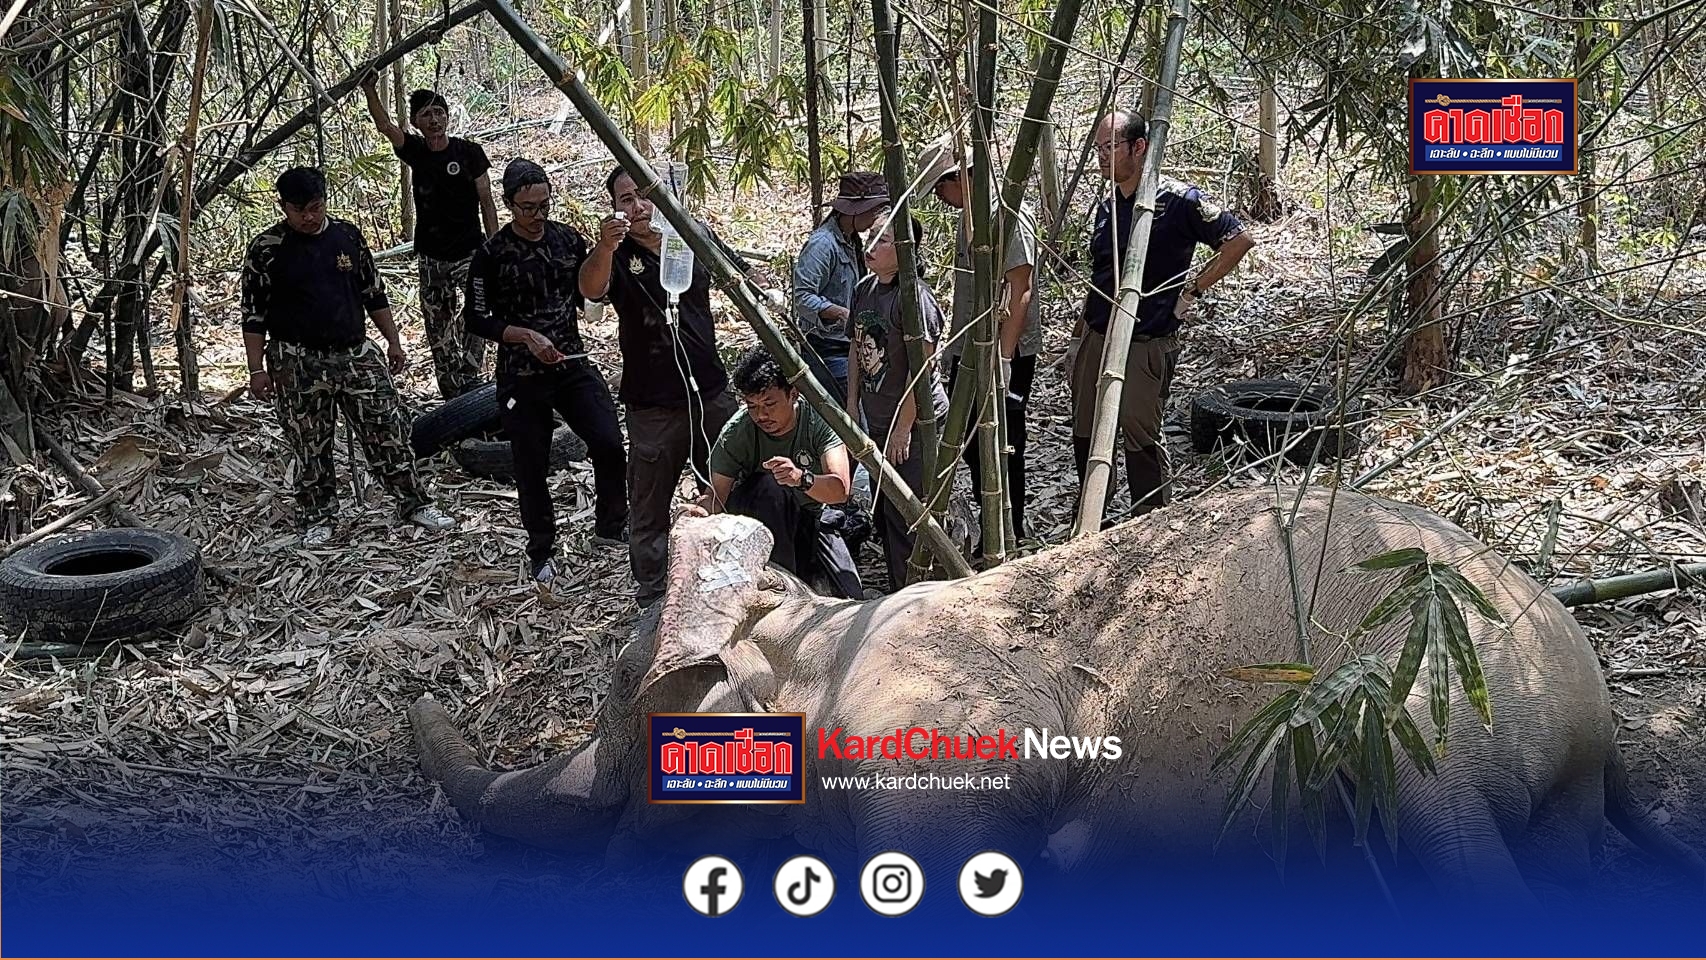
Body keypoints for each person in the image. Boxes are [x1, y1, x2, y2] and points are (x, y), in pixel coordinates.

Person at [240, 166, 456, 546]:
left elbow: (373, 292)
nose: (309, 217)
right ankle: (318, 514)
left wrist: (393, 341)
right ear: (283, 207)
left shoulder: (347, 236)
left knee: (388, 429)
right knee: (311, 443)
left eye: (316, 207)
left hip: (355, 352)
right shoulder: (266, 249)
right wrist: (257, 370)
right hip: (297, 360)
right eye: (299, 210)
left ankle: (413, 502)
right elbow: (253, 314)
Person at [580, 165, 755, 608]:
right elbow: (590, 290)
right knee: (649, 500)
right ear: (614, 208)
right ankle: (653, 593)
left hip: (709, 391)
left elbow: (738, 278)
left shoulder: (690, 236)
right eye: (625, 199)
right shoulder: (615, 255)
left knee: (731, 482)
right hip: (652, 403)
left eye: (642, 195)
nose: (637, 207)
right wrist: (604, 244)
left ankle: (733, 576)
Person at [1069, 108, 1256, 518]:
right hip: (1097, 336)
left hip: (1145, 341)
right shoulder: (1106, 206)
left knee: (1141, 435)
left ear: (1139, 147)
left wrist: (1191, 292)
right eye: (1097, 148)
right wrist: (1079, 337)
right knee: (1085, 430)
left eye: (1110, 147)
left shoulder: (1177, 201)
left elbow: (1238, 240)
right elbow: (1099, 277)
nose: (1102, 157)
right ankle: (1090, 517)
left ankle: (1149, 522)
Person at [464, 159, 629, 583]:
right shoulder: (491, 255)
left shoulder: (565, 239)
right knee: (531, 464)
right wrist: (524, 337)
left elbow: (588, 292)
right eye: (527, 208)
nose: (537, 216)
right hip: (522, 373)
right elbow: (477, 319)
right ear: (509, 205)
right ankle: (542, 550)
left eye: (544, 205)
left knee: (609, 441)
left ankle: (612, 526)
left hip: (571, 361)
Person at [922, 146, 1042, 544]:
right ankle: (989, 524)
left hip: (1002, 351)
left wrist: (1004, 358)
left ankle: (1010, 529)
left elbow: (1020, 287)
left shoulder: (1005, 215)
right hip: (968, 350)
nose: (939, 197)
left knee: (1004, 444)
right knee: (972, 444)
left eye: (940, 187)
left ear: (961, 178)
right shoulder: (968, 218)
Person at [361, 74, 499, 399]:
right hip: (433, 258)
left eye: (439, 112)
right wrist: (369, 88)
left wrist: (495, 247)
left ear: (448, 116)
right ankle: (453, 393)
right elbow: (385, 127)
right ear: (416, 122)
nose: (435, 119)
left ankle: (469, 374)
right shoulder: (417, 151)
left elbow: (487, 201)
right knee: (438, 324)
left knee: (478, 310)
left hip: (470, 252)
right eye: (427, 114)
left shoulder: (470, 153)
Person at [693, 346, 863, 600]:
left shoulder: (820, 420)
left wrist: (801, 478)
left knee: (851, 597)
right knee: (771, 486)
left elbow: (840, 491)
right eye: (752, 406)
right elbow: (717, 495)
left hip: (812, 514)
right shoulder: (737, 432)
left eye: (770, 404)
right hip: (759, 520)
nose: (761, 415)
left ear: (793, 394)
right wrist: (699, 514)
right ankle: (778, 581)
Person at [845, 212, 950, 591]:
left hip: (914, 422)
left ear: (906, 249)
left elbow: (922, 369)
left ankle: (919, 593)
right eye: (870, 236)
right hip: (877, 417)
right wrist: (852, 402)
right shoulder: (864, 289)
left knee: (911, 510)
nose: (871, 245)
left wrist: (904, 427)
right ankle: (897, 587)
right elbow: (857, 348)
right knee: (886, 508)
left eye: (883, 239)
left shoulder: (915, 298)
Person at [792, 171, 888, 405]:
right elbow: (802, 297)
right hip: (828, 348)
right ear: (857, 210)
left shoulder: (853, 240)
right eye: (874, 210)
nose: (876, 217)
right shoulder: (823, 245)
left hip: (855, 347)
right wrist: (839, 313)